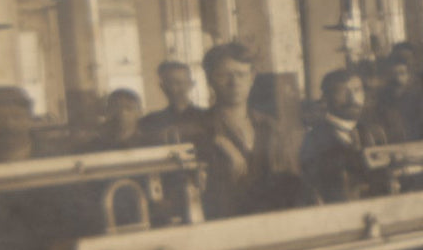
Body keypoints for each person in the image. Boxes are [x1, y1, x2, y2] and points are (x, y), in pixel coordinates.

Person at [196, 42, 304, 218]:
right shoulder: (200, 129)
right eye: (223, 75)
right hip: (224, 223)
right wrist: (218, 144)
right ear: (209, 79)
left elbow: (291, 184)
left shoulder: (271, 127)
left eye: (241, 74)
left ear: (252, 78)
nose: (234, 83)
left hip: (274, 221)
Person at [301, 68, 387, 203]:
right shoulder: (314, 140)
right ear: (325, 98)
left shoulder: (375, 133)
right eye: (342, 91)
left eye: (357, 90)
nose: (353, 99)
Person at [139, 61, 208, 146]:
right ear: (162, 87)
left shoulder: (206, 117)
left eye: (179, 83)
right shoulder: (150, 121)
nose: (174, 88)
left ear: (191, 84)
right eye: (169, 83)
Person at [373, 54, 423, 143]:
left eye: (402, 73)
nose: (397, 78)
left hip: (416, 143)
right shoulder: (382, 100)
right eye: (393, 74)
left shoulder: (417, 99)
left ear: (408, 75)